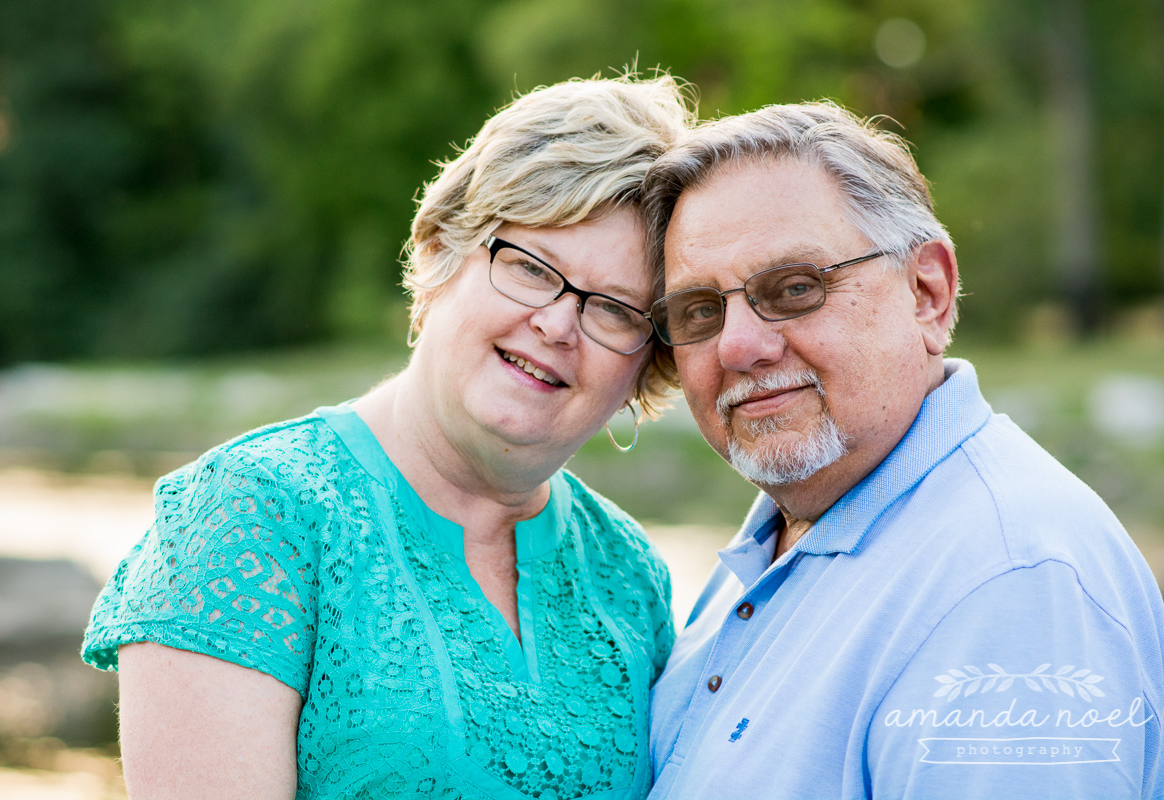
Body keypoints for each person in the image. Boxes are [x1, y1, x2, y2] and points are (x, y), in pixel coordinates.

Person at [81, 74, 694, 799]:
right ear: (440, 252)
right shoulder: (249, 513)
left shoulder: (629, 574)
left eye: (615, 310)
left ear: (647, 362)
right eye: (531, 268)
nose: (558, 325)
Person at [639, 101, 1164, 799]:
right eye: (700, 310)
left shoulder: (1010, 581)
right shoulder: (784, 536)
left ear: (927, 293)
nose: (737, 345)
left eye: (795, 289)